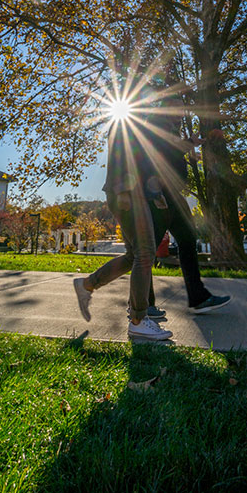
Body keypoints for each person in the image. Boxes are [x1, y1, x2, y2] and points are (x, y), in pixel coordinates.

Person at [73, 117, 173, 341]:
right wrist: (123, 192)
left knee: (133, 256)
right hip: (128, 193)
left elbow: (144, 165)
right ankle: (138, 320)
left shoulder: (143, 124)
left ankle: (87, 284)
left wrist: (156, 194)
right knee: (145, 254)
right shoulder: (127, 121)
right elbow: (120, 156)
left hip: (137, 194)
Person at [139, 96, 231, 315]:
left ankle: (198, 297)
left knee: (188, 239)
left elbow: (173, 154)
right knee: (147, 250)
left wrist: (189, 154)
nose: (183, 112)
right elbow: (162, 152)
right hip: (160, 194)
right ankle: (143, 304)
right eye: (180, 108)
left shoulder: (171, 125)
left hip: (174, 195)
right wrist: (190, 143)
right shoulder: (157, 123)